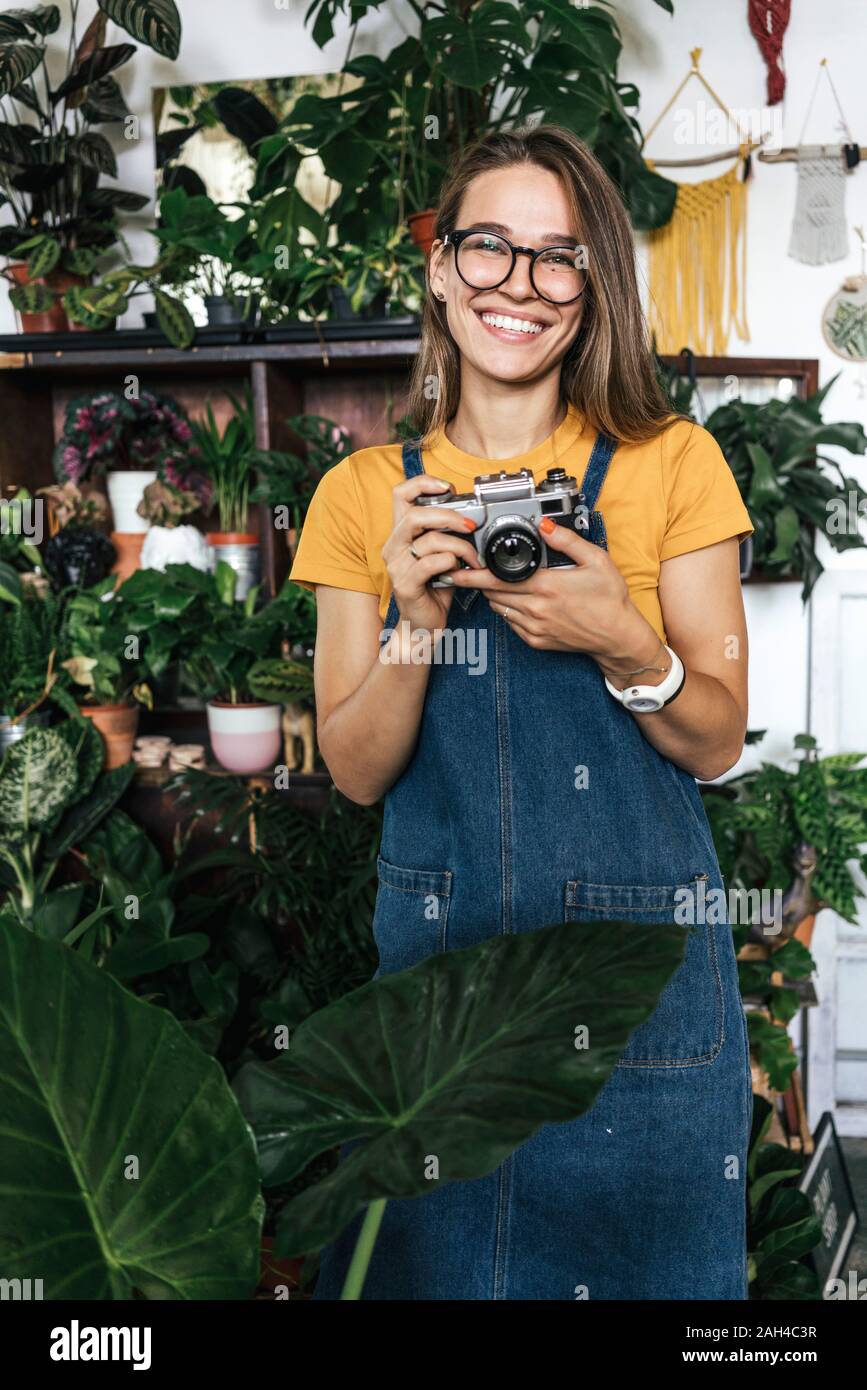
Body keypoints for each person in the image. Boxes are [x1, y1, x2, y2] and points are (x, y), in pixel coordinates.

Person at [289, 125, 755, 1301]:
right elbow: (353, 769)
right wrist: (414, 613)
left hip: (634, 1002)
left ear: (592, 288)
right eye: (490, 247)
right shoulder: (360, 495)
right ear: (441, 267)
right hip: (439, 1001)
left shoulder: (674, 464)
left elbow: (716, 735)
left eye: (561, 257)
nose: (521, 286)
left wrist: (623, 641)